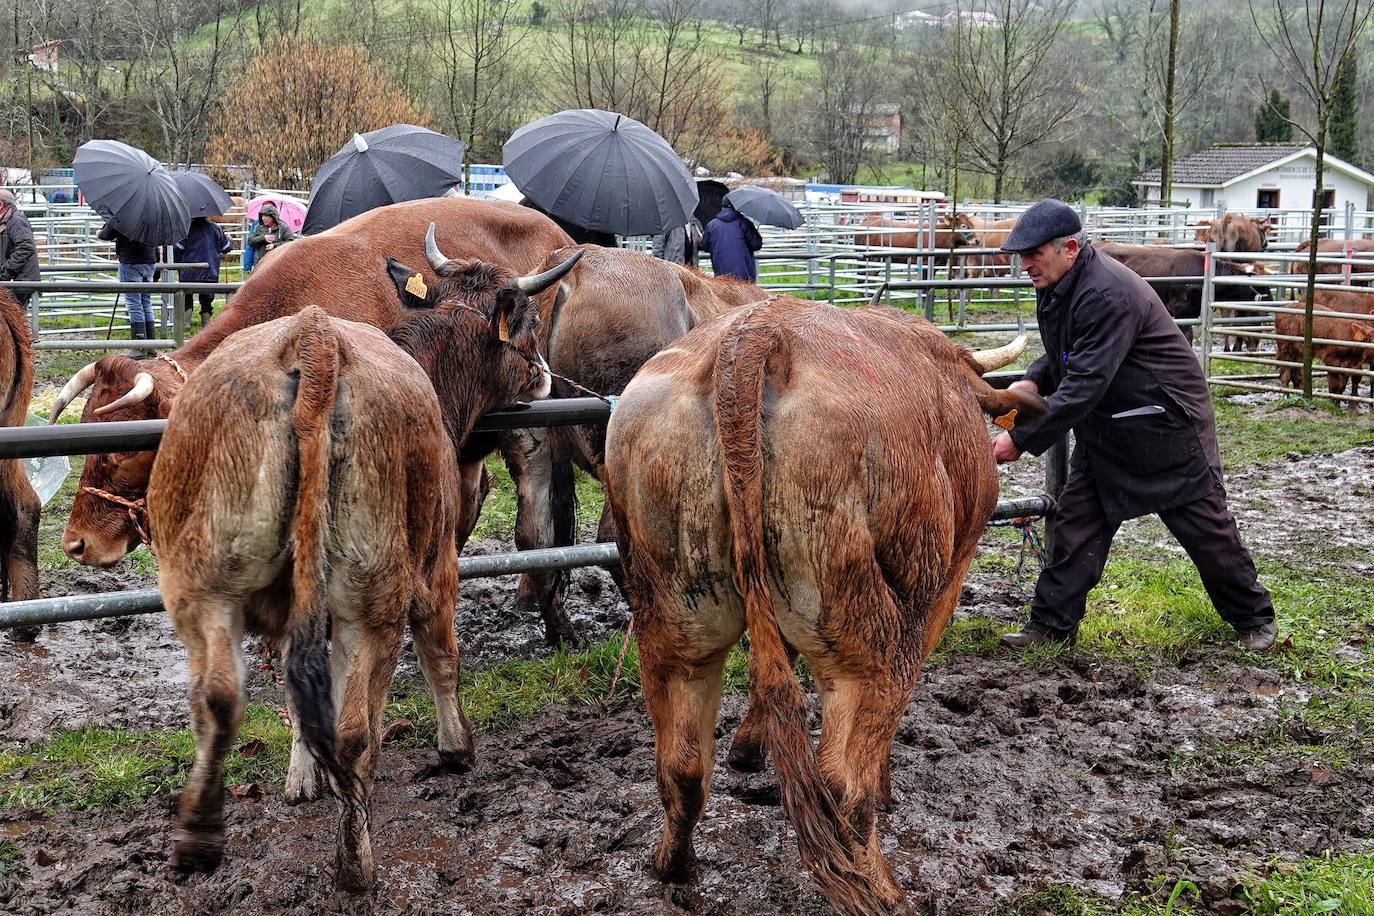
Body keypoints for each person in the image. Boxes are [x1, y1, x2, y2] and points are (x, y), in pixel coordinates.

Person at [990, 198, 1277, 653]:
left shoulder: (1105, 292)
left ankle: (1254, 619)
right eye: (1021, 255)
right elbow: (1068, 349)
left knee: (1206, 532)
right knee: (1075, 527)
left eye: (1032, 254)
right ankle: (1049, 628)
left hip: (1165, 427)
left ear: (1068, 247)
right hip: (1109, 429)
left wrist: (1019, 438)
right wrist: (1033, 378)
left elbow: (1084, 383)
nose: (1024, 264)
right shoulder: (1061, 282)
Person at [96, 219, 158, 348]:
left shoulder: (126, 212)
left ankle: (139, 345)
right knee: (146, 302)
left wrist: (99, 233)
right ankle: (151, 345)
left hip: (131, 261)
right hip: (149, 259)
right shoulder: (153, 213)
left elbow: (107, 234)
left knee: (134, 303)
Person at [174, 216, 232, 326]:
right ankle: (206, 324)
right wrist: (229, 239)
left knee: (187, 297)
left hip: (188, 272)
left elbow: (178, 248)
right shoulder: (216, 228)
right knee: (207, 300)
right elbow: (226, 248)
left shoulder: (186, 228)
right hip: (210, 271)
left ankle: (186, 323)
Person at [700, 200, 762, 281]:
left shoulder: (712, 224)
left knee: (725, 293)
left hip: (721, 276)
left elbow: (705, 246)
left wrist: (700, 240)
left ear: (722, 207)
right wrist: (755, 233)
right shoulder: (744, 223)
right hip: (744, 275)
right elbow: (756, 244)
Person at [0, 190, 39, 308]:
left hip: (21, 279)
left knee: (13, 317)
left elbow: (26, 247)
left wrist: (6, 270)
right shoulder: (7, 221)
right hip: (15, 278)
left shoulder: (15, 220)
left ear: (1, 205)